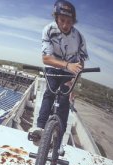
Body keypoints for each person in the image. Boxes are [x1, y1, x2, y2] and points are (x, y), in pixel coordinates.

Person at [29, 0, 88, 154]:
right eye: (62, 20)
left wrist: (74, 81)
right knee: (49, 92)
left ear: (73, 21)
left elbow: (81, 62)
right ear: (56, 18)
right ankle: (40, 128)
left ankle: (58, 142)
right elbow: (46, 58)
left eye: (69, 21)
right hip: (53, 68)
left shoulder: (79, 37)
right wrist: (67, 65)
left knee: (64, 102)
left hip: (70, 72)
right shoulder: (48, 30)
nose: (65, 25)